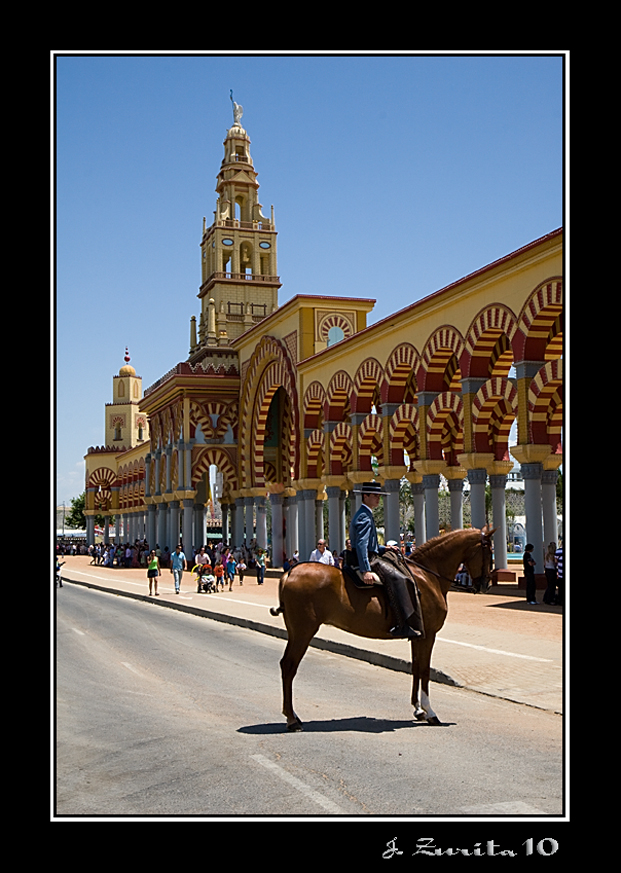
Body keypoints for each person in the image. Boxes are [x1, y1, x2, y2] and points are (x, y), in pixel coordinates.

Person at [349, 481, 424, 639]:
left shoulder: (366, 513)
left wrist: (385, 548)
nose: (378, 499)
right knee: (399, 579)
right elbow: (362, 545)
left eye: (379, 496)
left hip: (372, 555)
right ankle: (402, 624)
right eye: (375, 496)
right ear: (365, 496)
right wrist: (366, 569)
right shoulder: (364, 515)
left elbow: (370, 544)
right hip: (370, 560)